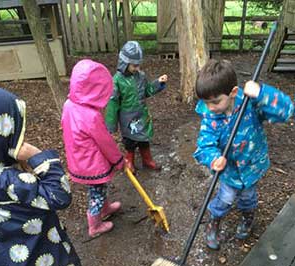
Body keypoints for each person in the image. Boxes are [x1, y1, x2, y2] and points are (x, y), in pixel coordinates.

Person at [0, 86, 97, 266]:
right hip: (35, 259)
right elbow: (59, 195)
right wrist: (40, 156)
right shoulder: (9, 181)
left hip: (6, 265)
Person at [193, 59, 294, 250]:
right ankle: (214, 221)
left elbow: (286, 111)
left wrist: (261, 93)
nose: (210, 107)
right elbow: (204, 146)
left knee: (248, 198)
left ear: (232, 93)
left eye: (215, 102)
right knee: (225, 198)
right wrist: (213, 158)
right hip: (229, 171)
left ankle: (248, 218)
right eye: (206, 103)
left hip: (252, 166)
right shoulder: (210, 117)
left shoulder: (251, 103)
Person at [61, 59, 124, 238]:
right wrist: (118, 160)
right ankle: (94, 225)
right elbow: (106, 142)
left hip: (79, 159)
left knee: (98, 189)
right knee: (96, 192)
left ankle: (105, 209)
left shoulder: (69, 105)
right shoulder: (91, 116)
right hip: (92, 164)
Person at [105, 40, 168, 174]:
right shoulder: (116, 81)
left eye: (138, 65)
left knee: (144, 139)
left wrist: (158, 83)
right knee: (130, 142)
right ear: (124, 63)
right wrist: (111, 125)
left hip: (141, 114)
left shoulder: (141, 76)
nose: (137, 68)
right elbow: (113, 103)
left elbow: (147, 90)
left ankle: (147, 159)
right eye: (134, 66)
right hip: (127, 117)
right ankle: (129, 161)